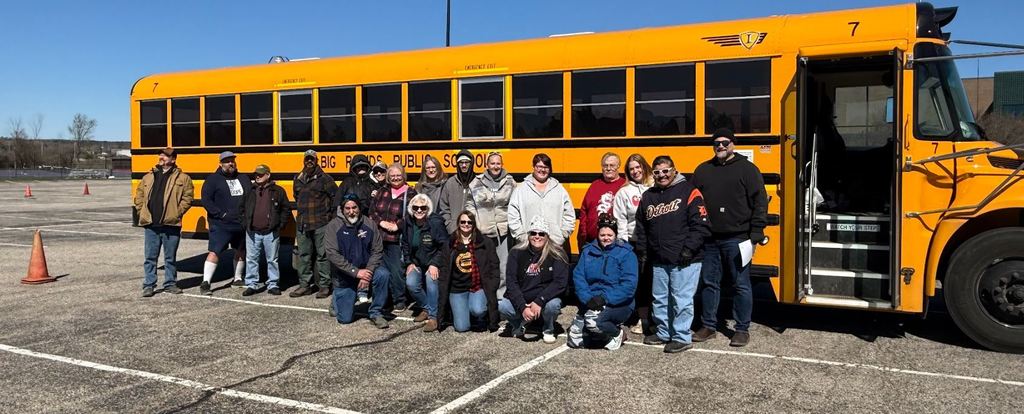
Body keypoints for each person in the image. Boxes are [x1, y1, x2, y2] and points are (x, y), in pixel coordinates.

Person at [691, 128, 769, 347]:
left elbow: (760, 202)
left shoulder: (748, 169)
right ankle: (708, 325)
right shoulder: (703, 170)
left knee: (741, 284)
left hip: (739, 238)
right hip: (710, 239)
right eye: (717, 143)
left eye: (725, 142)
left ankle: (742, 329)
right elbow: (694, 202)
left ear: (733, 144)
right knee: (709, 283)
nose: (721, 146)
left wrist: (756, 233)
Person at [635, 155, 711, 353]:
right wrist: (643, 250)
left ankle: (681, 336)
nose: (662, 175)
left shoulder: (690, 191)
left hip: (686, 258)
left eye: (666, 171)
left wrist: (689, 249)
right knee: (660, 298)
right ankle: (663, 332)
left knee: (681, 299)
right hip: (659, 258)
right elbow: (642, 226)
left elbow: (701, 225)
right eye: (657, 172)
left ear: (674, 170)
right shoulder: (648, 196)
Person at [569, 214, 637, 351]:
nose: (606, 238)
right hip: (592, 299)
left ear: (616, 234)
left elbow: (629, 285)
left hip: (618, 302)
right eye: (602, 235)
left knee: (594, 322)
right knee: (574, 339)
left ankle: (617, 334)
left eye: (610, 235)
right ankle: (599, 334)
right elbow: (579, 276)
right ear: (597, 234)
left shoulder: (626, 253)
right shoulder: (588, 251)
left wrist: (605, 298)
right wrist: (587, 298)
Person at [499, 215, 568, 344]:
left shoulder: (557, 253)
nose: (537, 236)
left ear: (547, 236)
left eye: (541, 233)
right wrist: (522, 306)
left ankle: (548, 328)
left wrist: (539, 301)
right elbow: (511, 282)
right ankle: (518, 324)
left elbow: (560, 282)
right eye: (533, 233)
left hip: (544, 299)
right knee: (503, 306)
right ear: (529, 235)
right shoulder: (516, 252)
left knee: (553, 306)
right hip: (524, 300)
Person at [324, 195, 390, 329]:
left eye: (354, 207)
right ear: (342, 210)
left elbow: (377, 250)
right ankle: (337, 299)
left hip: (367, 270)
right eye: (347, 208)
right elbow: (332, 254)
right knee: (345, 319)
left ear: (359, 208)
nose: (351, 211)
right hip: (345, 275)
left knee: (383, 275)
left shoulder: (369, 224)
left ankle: (376, 312)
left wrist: (368, 272)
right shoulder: (333, 226)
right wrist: (356, 272)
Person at [135, 147, 193, 297]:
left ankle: (170, 283)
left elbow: (188, 198)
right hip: (151, 225)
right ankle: (149, 285)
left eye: (165, 156)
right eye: (160, 155)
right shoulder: (148, 176)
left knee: (170, 258)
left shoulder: (183, 178)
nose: (162, 157)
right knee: (150, 258)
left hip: (171, 225)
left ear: (173, 159)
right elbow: (139, 194)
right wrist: (141, 210)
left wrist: (177, 213)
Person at [437, 211, 501, 332]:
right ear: (458, 223)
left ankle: (480, 317)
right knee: (462, 327)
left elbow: (494, 265)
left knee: (478, 310)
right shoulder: (450, 243)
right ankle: (461, 312)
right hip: (457, 289)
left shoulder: (484, 242)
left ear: (474, 224)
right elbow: (444, 269)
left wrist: (492, 285)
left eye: (469, 222)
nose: (466, 224)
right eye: (463, 222)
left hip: (477, 287)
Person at [613, 153, 654, 335]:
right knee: (640, 282)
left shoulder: (655, 185)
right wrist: (622, 245)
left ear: (644, 167)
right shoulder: (624, 192)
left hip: (655, 241)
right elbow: (620, 219)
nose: (636, 171)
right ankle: (642, 318)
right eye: (631, 169)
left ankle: (658, 317)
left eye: (638, 167)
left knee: (657, 282)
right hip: (634, 242)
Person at [464, 151, 515, 297]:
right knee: (485, 266)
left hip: (504, 232)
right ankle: (485, 297)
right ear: (487, 165)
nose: (495, 166)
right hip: (484, 231)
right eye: (492, 163)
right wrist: (476, 225)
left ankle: (500, 297)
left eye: (498, 163)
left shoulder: (510, 182)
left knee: (503, 266)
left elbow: (516, 204)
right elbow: (469, 205)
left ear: (502, 164)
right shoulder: (476, 182)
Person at [200, 151, 250, 295]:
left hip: (240, 223)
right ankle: (206, 282)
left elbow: (250, 196)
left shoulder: (243, 178)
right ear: (221, 163)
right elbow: (206, 200)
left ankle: (238, 278)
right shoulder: (213, 180)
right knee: (214, 252)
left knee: (241, 251)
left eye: (233, 160)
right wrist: (220, 214)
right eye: (227, 161)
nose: (231, 163)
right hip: (220, 224)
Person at [369, 163, 417, 311]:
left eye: (398, 175)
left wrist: (398, 225)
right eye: (392, 176)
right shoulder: (382, 191)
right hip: (379, 237)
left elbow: (414, 214)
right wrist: (381, 222)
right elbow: (372, 211)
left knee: (397, 270)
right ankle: (384, 299)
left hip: (397, 239)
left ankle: (399, 299)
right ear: (388, 177)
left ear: (403, 176)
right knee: (382, 270)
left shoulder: (411, 193)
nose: (396, 178)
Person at [292, 149, 338, 298]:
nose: (309, 161)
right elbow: (296, 196)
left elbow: (335, 199)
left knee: (322, 255)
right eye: (307, 159)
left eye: (312, 159)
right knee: (303, 255)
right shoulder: (297, 178)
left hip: (321, 223)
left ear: (316, 160)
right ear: (304, 160)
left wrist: (330, 220)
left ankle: (324, 285)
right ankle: (304, 285)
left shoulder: (325, 179)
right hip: (303, 223)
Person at [239, 164, 291, 296]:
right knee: (251, 259)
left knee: (272, 259)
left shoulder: (278, 191)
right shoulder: (249, 190)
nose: (257, 176)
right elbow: (241, 208)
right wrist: (245, 224)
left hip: (271, 232)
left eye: (261, 174)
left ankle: (273, 284)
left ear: (268, 175)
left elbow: (286, 208)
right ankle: (252, 284)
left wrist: (280, 225)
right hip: (252, 232)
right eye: (256, 174)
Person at [401, 194, 449, 332]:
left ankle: (434, 317)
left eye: (423, 207)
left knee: (431, 279)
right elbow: (404, 243)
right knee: (411, 283)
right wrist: (409, 262)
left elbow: (444, 246)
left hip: (433, 262)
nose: (419, 210)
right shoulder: (408, 222)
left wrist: (434, 264)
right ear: (411, 209)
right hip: (417, 261)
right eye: (416, 207)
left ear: (428, 209)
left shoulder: (436, 223)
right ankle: (427, 308)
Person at [507, 153, 575, 247]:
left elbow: (569, 216)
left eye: (546, 167)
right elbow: (513, 216)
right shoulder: (521, 189)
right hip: (528, 246)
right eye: (539, 166)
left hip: (554, 246)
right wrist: (522, 237)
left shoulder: (559, 189)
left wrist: (561, 236)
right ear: (533, 167)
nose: (542, 170)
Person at [577, 152, 624, 247]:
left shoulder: (624, 185)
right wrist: (584, 232)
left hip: (615, 244)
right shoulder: (595, 185)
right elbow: (584, 210)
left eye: (612, 165)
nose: (608, 168)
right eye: (605, 165)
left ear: (618, 166)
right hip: (592, 242)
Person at [438, 149, 475, 234]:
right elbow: (444, 207)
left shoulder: (478, 182)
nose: (464, 165)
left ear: (471, 163)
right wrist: (450, 226)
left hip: (473, 232)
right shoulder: (450, 183)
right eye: (461, 163)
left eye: (467, 162)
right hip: (454, 232)